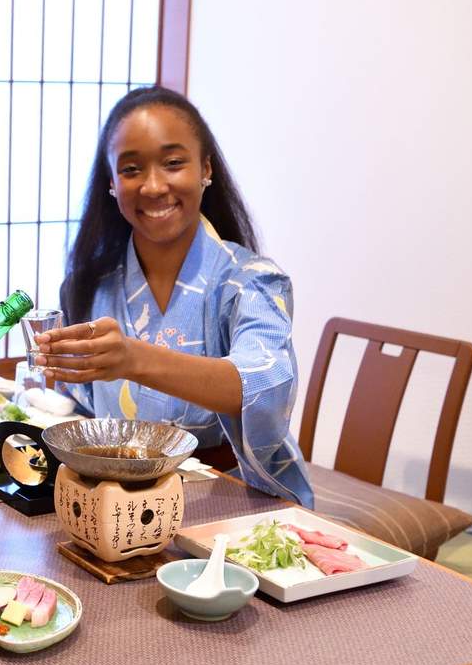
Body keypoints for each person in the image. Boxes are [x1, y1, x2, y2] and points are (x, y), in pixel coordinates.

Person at [34, 86, 312, 506]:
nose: (153, 186)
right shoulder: (89, 283)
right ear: (111, 182)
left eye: (173, 163)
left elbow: (265, 385)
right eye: (131, 169)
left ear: (205, 169)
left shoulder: (251, 280)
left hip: (230, 500)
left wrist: (134, 359)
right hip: (112, 501)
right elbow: (82, 409)